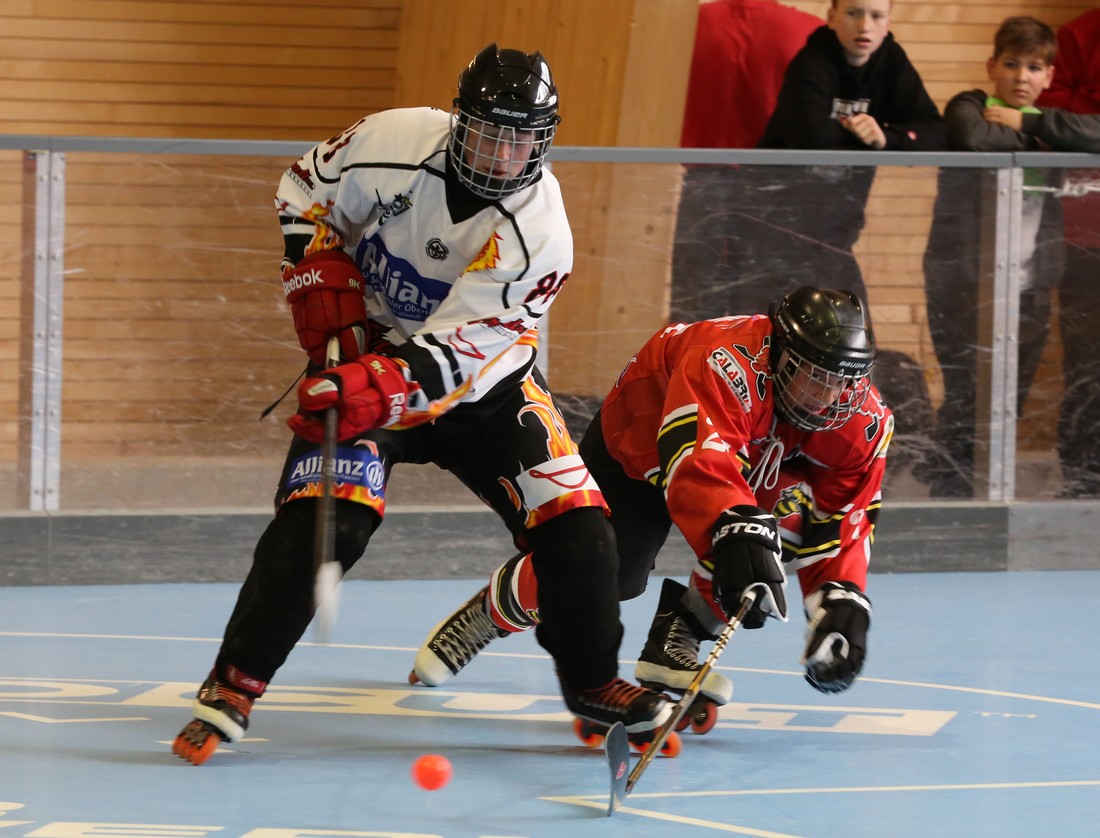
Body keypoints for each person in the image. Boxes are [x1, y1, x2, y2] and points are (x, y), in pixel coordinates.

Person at [171, 43, 672, 766]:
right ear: (458, 122)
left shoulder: (541, 234)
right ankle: (234, 682)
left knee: (584, 531)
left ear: (544, 142)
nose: (504, 155)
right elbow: (303, 189)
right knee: (325, 522)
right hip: (365, 353)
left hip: (486, 386)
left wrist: (374, 385)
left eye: (522, 140)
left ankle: (594, 685)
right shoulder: (391, 139)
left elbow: (462, 353)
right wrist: (315, 271)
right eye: (489, 134)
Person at [409, 286, 892, 723]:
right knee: (607, 569)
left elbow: (845, 518)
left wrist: (841, 600)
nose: (830, 396)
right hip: (645, 432)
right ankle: (491, 612)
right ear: (781, 355)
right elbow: (698, 460)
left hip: (751, 449)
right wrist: (737, 527)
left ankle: (678, 634)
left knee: (775, 536)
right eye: (814, 377)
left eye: (843, 381)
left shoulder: (862, 419)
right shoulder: (725, 360)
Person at [918, 16, 1100, 497]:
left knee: (1010, 399)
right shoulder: (971, 104)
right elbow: (973, 137)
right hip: (964, 280)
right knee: (965, 392)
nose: (1022, 77)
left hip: (1030, 286)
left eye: (1034, 68)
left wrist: (1031, 125)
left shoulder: (1049, 121)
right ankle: (947, 496)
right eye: (1012, 64)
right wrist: (1041, 143)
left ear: (1049, 76)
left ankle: (984, 495)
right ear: (992, 66)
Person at [724, 0, 945, 316]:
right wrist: (864, 138)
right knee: (766, 328)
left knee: (852, 330)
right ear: (832, 17)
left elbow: (934, 133)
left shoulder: (891, 61)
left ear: (888, 23)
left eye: (876, 16)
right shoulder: (812, 60)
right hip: (772, 227)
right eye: (853, 13)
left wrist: (886, 138)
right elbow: (810, 135)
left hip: (833, 237)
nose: (864, 26)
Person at [672, 0, 823, 323]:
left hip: (705, 182)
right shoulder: (807, 31)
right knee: (767, 310)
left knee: (695, 310)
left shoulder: (689, 25)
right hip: (773, 189)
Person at [1036, 8, 1100, 497]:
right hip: (1083, 237)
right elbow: (1049, 109)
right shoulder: (1081, 33)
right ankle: (1082, 476)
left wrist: (1084, 111)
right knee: (1084, 362)